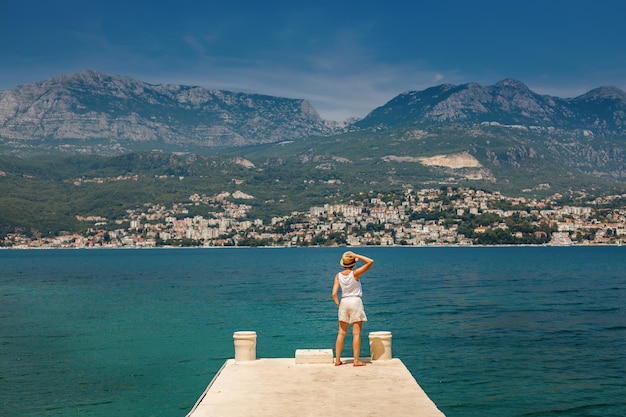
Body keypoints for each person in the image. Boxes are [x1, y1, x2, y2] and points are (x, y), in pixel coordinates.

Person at [331, 251, 374, 366]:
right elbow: (370, 262)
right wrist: (356, 255)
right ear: (353, 264)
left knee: (341, 333)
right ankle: (356, 360)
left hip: (344, 301)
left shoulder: (338, 276)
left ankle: (338, 360)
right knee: (356, 333)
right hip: (355, 301)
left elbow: (334, 293)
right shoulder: (355, 274)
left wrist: (338, 304)